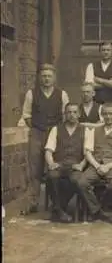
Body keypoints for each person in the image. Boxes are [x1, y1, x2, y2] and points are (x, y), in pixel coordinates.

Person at [21, 63, 70, 215]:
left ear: (54, 78)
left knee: (54, 167)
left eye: (49, 76)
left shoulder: (62, 94)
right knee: (34, 169)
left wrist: (55, 132)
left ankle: (56, 203)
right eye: (43, 76)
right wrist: (38, 128)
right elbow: (27, 115)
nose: (46, 79)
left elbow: (65, 116)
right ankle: (33, 202)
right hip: (37, 133)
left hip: (55, 134)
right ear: (39, 78)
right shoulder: (31, 93)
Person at [75, 103, 112, 223]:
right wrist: (97, 165)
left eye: (111, 114)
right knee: (81, 183)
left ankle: (100, 208)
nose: (108, 117)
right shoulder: (94, 131)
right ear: (102, 115)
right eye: (105, 114)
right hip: (96, 164)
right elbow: (88, 152)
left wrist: (108, 166)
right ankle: (99, 211)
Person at [44, 103, 87, 223]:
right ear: (65, 114)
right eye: (69, 112)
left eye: (74, 112)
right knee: (52, 176)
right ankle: (59, 209)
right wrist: (51, 163)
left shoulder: (85, 130)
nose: (72, 115)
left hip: (75, 165)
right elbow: (48, 150)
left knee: (76, 180)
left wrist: (81, 165)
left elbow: (88, 153)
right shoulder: (56, 129)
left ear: (79, 114)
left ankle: (58, 209)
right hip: (60, 164)